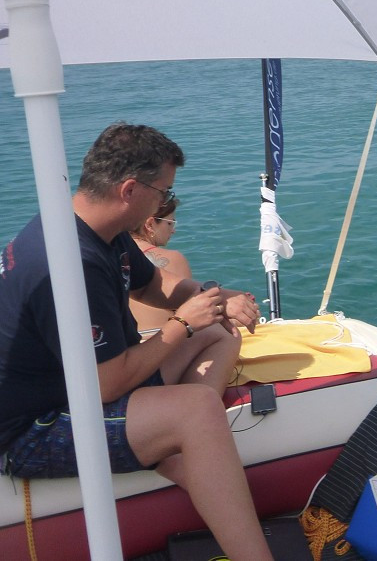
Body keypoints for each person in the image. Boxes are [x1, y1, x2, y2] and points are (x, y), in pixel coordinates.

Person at [0, 123, 273, 561]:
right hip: (33, 430)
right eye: (163, 193)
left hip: (84, 389)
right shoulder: (70, 264)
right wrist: (181, 325)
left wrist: (219, 299)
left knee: (218, 329)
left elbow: (156, 287)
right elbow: (106, 385)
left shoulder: (96, 229)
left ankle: (176, 444)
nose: (164, 203)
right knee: (199, 408)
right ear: (130, 189)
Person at [129, 195, 192, 333]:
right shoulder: (174, 259)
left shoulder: (112, 254)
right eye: (170, 223)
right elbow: (191, 312)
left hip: (124, 343)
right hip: (161, 340)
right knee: (225, 335)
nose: (173, 230)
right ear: (150, 224)